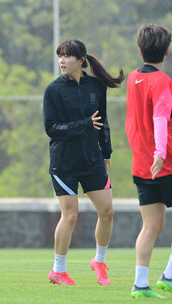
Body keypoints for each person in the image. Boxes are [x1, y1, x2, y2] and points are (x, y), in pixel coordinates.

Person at [43, 39, 124, 286]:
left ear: (81, 60)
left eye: (67, 56)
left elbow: (103, 121)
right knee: (70, 215)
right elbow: (51, 129)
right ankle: (58, 270)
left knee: (108, 211)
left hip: (92, 160)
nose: (62, 61)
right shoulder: (53, 90)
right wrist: (83, 125)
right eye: (60, 56)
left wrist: (106, 152)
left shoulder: (95, 86)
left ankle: (99, 261)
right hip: (64, 162)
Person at [126, 24, 172, 299]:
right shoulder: (161, 80)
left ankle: (140, 285)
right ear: (166, 52)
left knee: (151, 226)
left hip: (141, 166)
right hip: (166, 164)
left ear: (140, 50)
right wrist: (160, 153)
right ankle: (170, 275)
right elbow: (160, 116)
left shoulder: (133, 78)